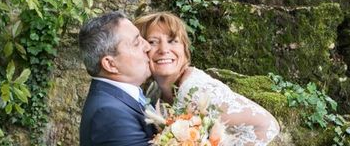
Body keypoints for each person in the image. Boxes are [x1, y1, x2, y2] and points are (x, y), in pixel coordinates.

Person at [135, 11, 281, 146]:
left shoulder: (197, 91)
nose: (164, 49)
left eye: (173, 41)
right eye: (153, 42)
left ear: (185, 50)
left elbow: (268, 125)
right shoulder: (154, 90)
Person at [78, 11, 156, 146]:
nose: (148, 47)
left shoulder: (119, 98)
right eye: (136, 43)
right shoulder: (109, 114)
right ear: (110, 64)